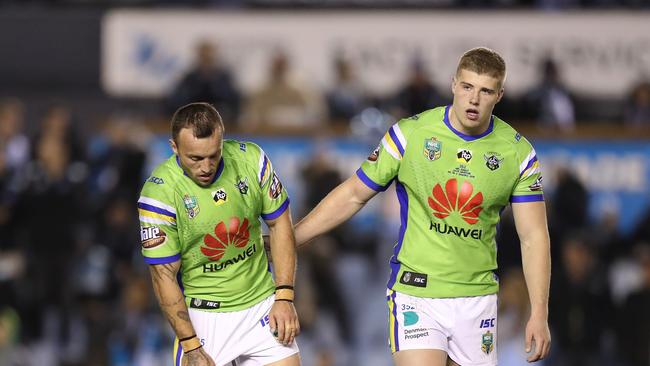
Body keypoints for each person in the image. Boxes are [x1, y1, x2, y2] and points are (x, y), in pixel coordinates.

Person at [294, 47, 551, 366]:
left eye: (485, 91)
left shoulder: (518, 154)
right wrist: (290, 239)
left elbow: (534, 236)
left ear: (499, 95)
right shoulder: (411, 134)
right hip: (417, 292)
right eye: (468, 87)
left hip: (477, 299)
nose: (474, 99)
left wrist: (539, 314)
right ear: (453, 84)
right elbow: (354, 194)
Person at [138, 102, 300, 366]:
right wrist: (191, 347)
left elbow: (280, 223)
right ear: (174, 147)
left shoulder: (252, 159)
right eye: (195, 158)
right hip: (204, 318)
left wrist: (284, 296)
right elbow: (163, 275)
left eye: (214, 155)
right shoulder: (159, 195)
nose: (206, 166)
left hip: (261, 305)